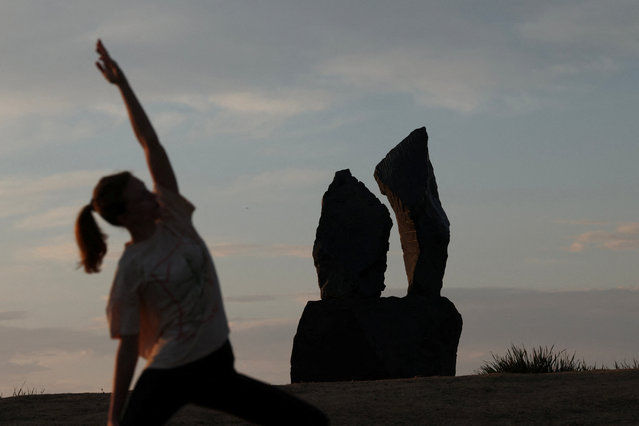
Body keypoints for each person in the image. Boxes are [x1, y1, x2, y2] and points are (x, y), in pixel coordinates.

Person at [75, 39, 329, 426]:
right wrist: (113, 421)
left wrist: (123, 85)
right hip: (169, 372)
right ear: (125, 216)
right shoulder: (132, 268)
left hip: (215, 363)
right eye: (141, 197)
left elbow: (150, 142)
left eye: (147, 188)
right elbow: (127, 348)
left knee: (308, 422)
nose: (151, 195)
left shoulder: (173, 216)